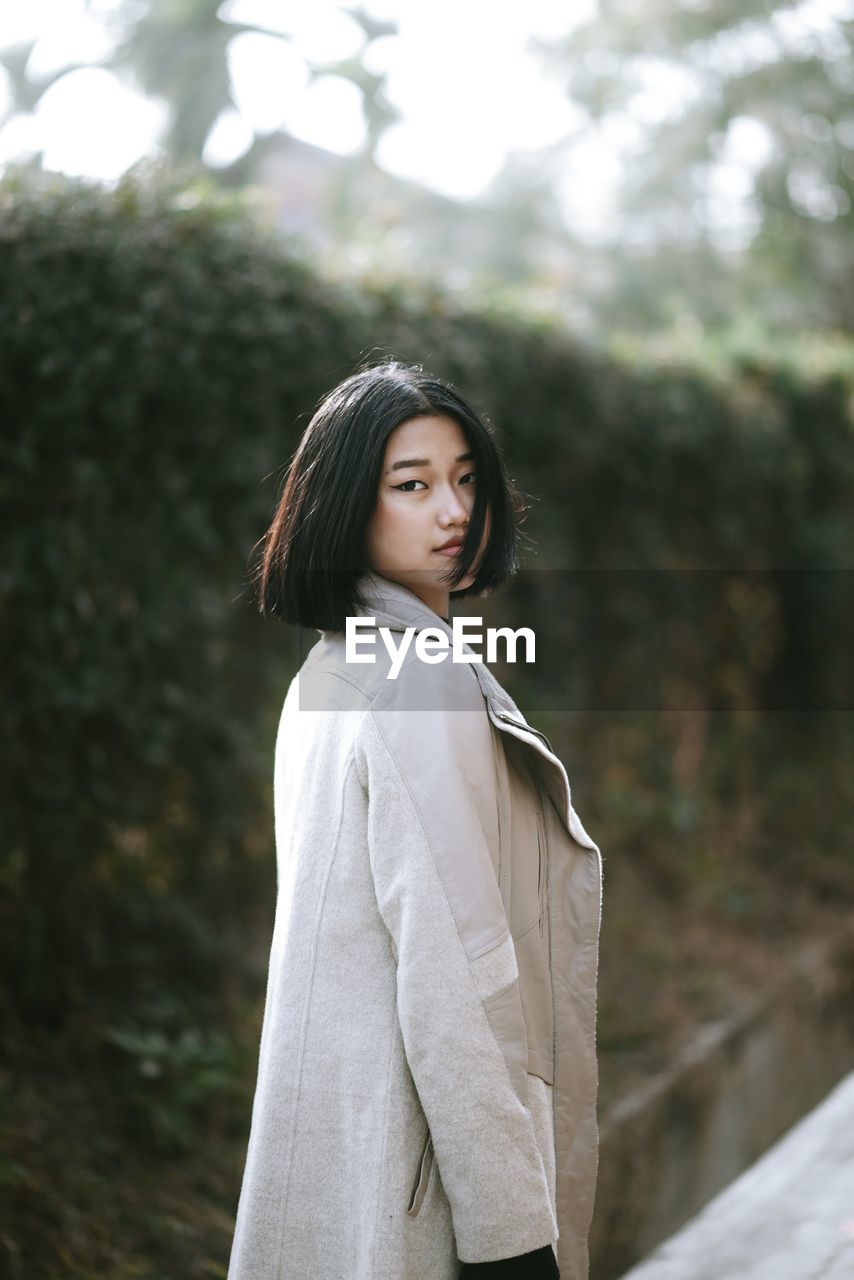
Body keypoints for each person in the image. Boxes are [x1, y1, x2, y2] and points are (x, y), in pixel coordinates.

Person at [228, 358, 603, 1280]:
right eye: (414, 485)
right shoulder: (414, 680)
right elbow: (455, 977)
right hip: (422, 1191)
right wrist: (511, 1235)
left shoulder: (332, 667)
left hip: (344, 1158)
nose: (455, 511)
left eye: (468, 479)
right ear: (349, 503)